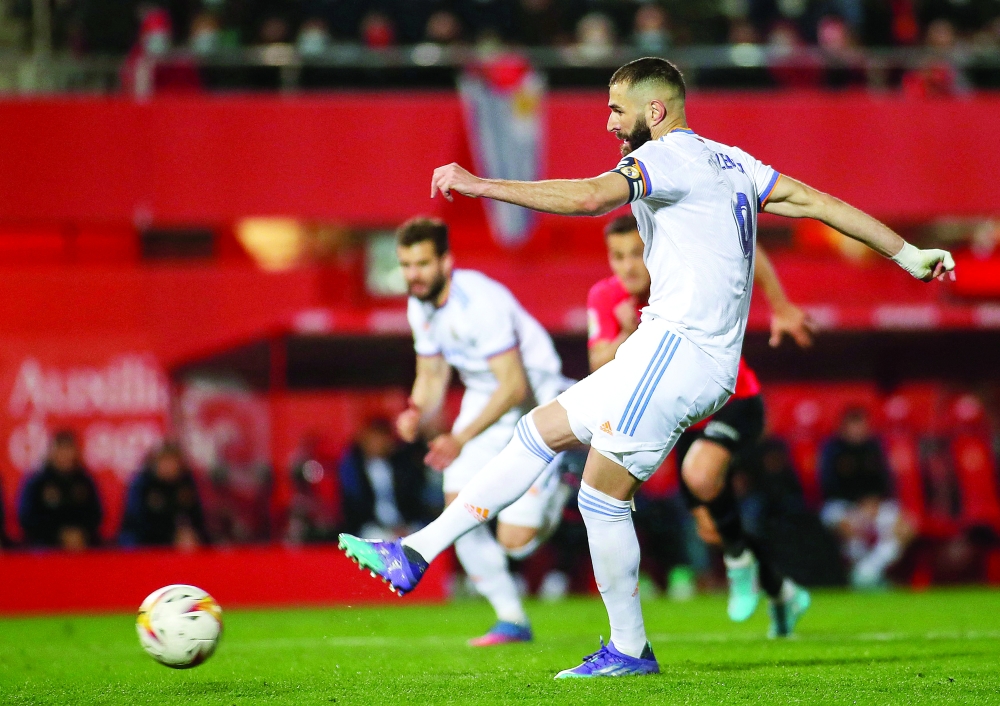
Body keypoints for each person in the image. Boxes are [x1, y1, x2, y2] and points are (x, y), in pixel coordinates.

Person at [340, 57, 954, 678]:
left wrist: (480, 186)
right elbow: (817, 201)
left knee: (601, 498)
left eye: (616, 110)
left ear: (654, 111)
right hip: (670, 350)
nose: (609, 123)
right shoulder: (733, 162)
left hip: (678, 352)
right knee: (538, 430)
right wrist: (907, 254)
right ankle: (416, 552)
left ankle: (630, 650)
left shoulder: (664, 158)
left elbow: (588, 197)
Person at [588, 214, 816, 636]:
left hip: (733, 400)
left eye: (636, 253)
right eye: (617, 257)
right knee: (712, 528)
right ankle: (783, 593)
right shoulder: (605, 296)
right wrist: (627, 330)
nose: (628, 266)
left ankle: (738, 564)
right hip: (684, 420)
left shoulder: (682, 276)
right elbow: (597, 361)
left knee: (701, 474)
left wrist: (780, 305)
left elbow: (749, 249)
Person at [359, 217, 572, 646]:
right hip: (484, 396)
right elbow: (432, 372)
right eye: (406, 265)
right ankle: (511, 618)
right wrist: (417, 410)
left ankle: (562, 479)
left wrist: (460, 437)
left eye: (422, 264)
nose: (413, 275)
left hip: (537, 399)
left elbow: (514, 386)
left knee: (516, 541)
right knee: (457, 510)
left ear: (446, 262)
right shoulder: (420, 304)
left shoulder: (479, 303)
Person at [819, 406, 914, 588]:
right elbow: (828, 486)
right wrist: (858, 504)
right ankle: (868, 576)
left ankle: (866, 573)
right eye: (853, 426)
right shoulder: (832, 449)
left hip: (875, 505)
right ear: (843, 427)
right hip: (842, 505)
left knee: (905, 528)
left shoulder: (876, 448)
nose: (857, 431)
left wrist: (874, 503)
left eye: (861, 426)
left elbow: (887, 483)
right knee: (847, 527)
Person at [337, 418, 433, 539]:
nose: (378, 444)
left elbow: (414, 500)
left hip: (405, 525)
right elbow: (355, 507)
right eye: (373, 440)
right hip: (373, 527)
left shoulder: (403, 466)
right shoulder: (353, 469)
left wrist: (403, 525)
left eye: (382, 439)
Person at [18, 430, 103, 550]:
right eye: (61, 450)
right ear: (51, 452)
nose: (65, 455)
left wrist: (80, 533)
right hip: (46, 543)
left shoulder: (84, 481)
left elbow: (96, 514)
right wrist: (59, 535)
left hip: (81, 541)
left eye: (68, 450)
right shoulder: (37, 482)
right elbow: (28, 517)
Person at [120, 443, 208, 549]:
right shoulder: (142, 484)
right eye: (164, 462)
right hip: (146, 539)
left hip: (180, 542)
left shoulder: (186, 484)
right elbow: (135, 522)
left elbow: (197, 517)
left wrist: (190, 533)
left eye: (172, 462)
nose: (168, 467)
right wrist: (169, 535)